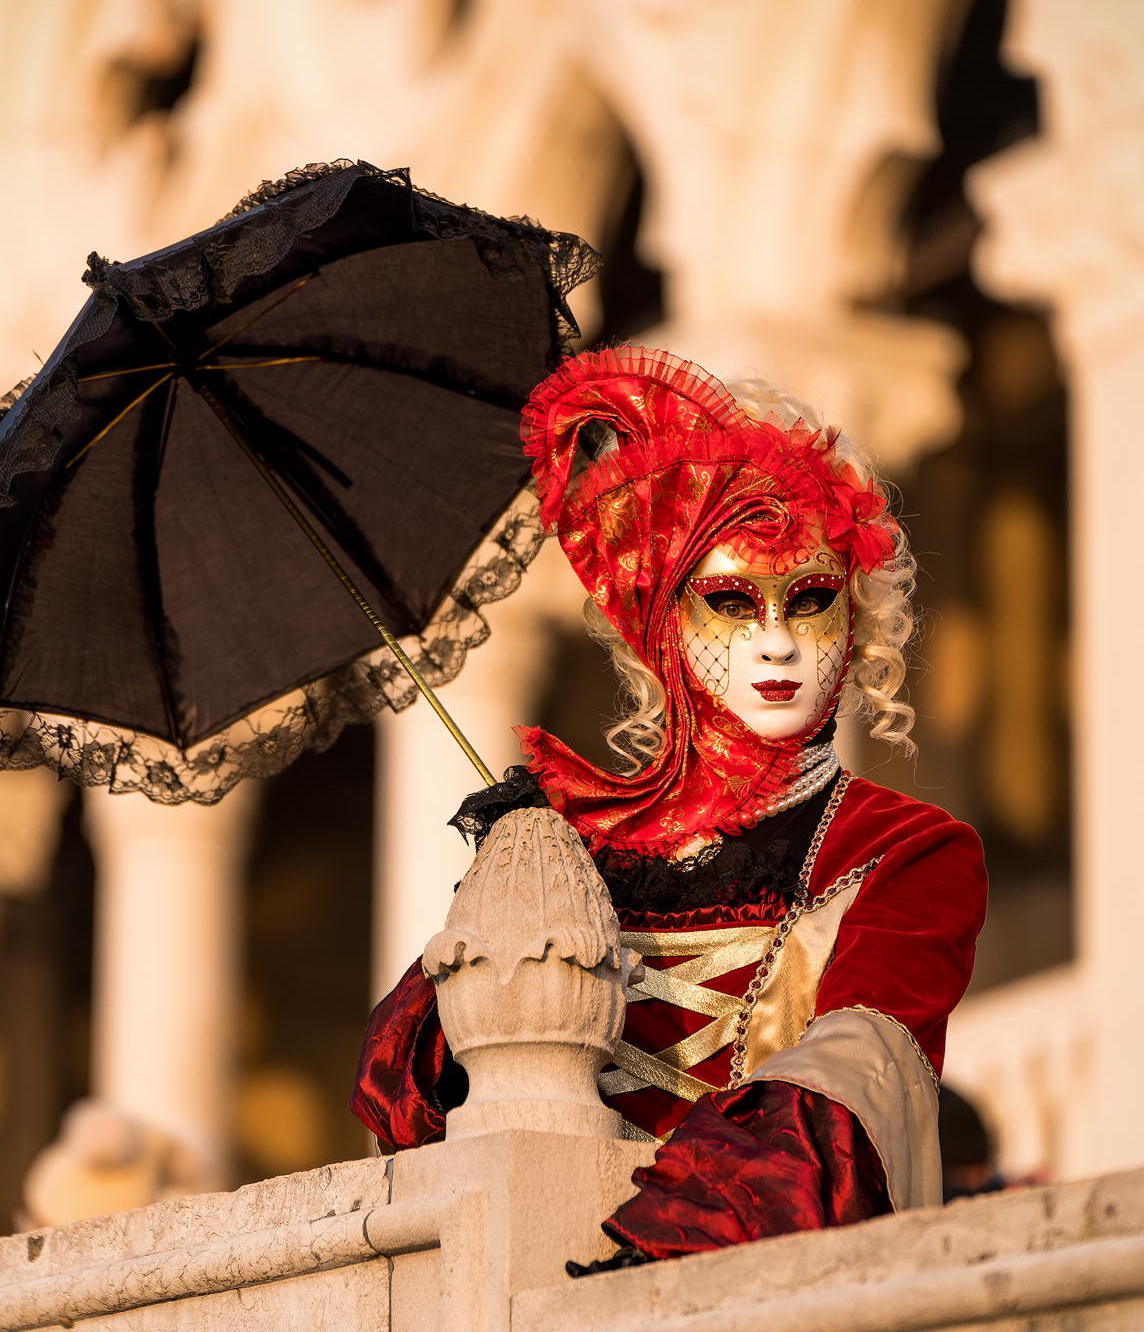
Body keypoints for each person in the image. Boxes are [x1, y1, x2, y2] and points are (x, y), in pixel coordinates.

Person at [350, 346, 987, 1264]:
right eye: (731, 602)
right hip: (529, 1260)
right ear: (662, 623)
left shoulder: (906, 850)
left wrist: (665, 1236)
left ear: (855, 618)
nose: (777, 643)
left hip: (753, 1277)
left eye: (810, 600)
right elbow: (403, 1101)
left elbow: (849, 1093)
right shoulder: (571, 845)